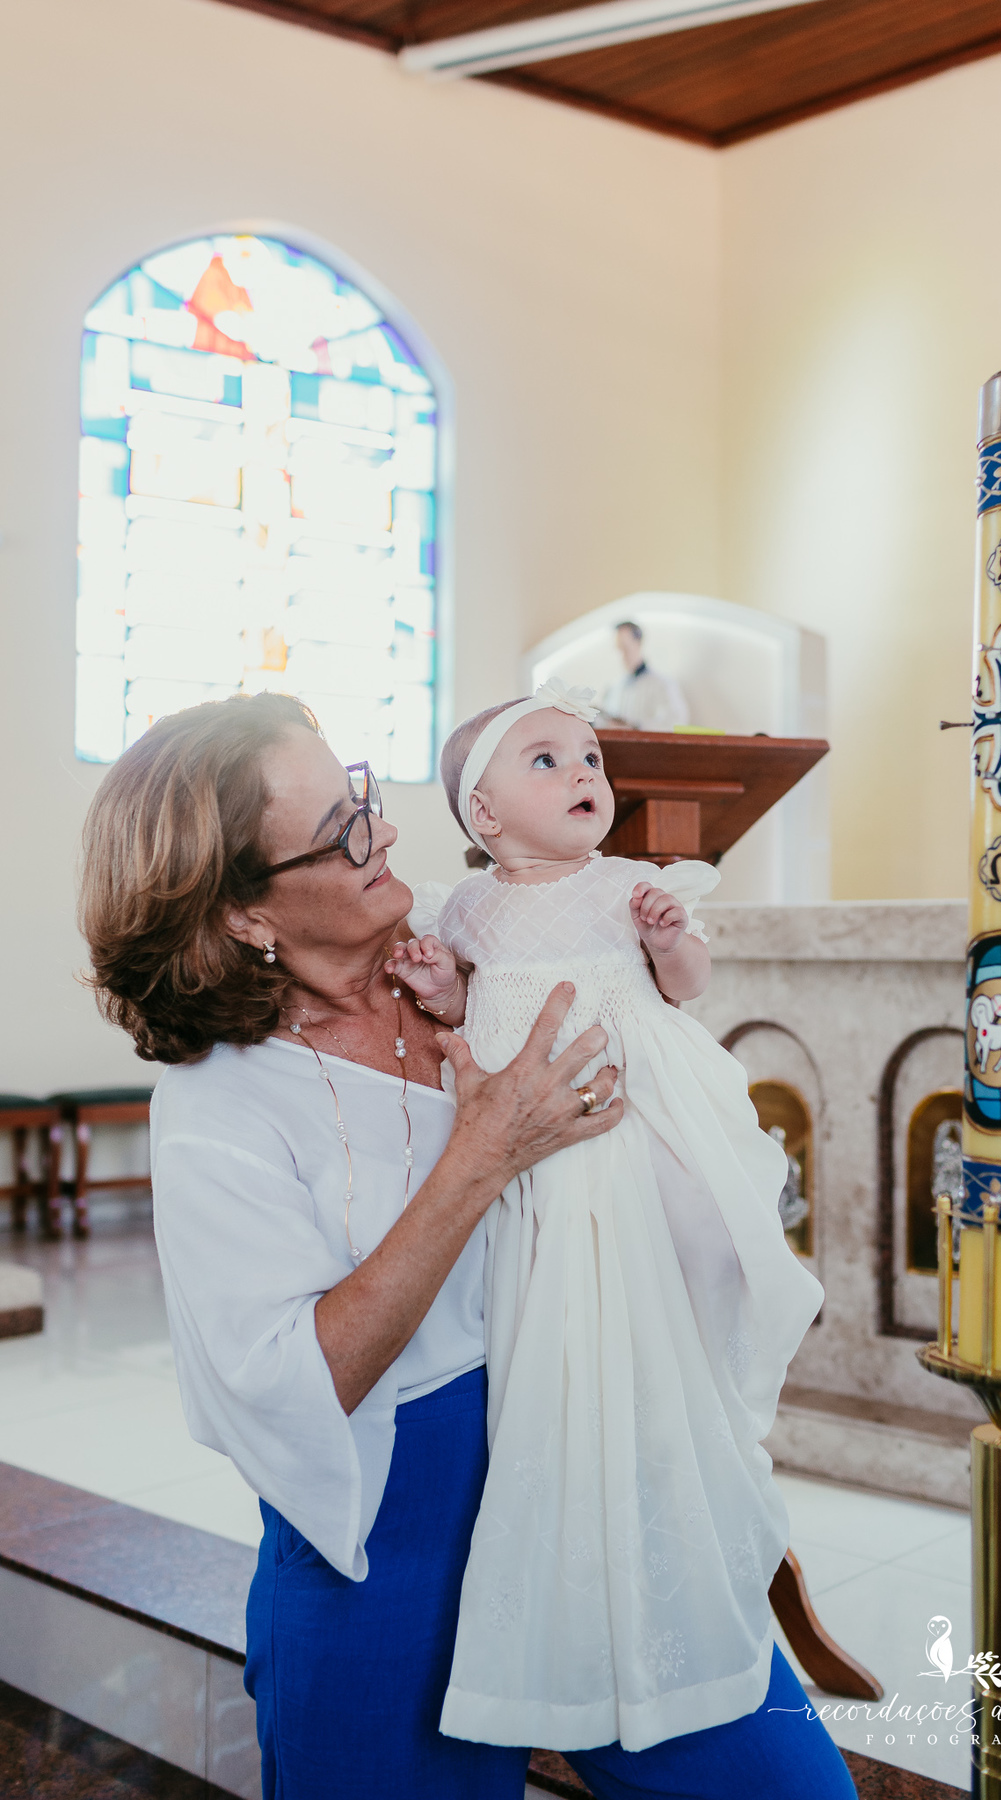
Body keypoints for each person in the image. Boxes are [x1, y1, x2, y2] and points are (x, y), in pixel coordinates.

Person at [76, 689, 855, 1800]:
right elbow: (299, 1379)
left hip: (597, 1479)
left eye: (362, 793)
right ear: (248, 914)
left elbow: (638, 1021)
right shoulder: (221, 1106)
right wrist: (482, 1152)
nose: (386, 827)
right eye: (345, 830)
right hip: (392, 1555)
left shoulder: (460, 935)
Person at [392, 678, 824, 1755]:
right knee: (570, 1296)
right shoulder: (466, 907)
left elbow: (686, 984)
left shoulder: (629, 879)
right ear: (483, 815)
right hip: (548, 1140)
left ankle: (710, 1376)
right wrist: (442, 986)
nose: (584, 775)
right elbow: (465, 1001)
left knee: (714, 1237)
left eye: (590, 758)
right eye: (547, 760)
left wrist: (672, 935)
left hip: (647, 1103)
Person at [601, 620, 689, 731]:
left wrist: (636, 726)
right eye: (619, 648)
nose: (622, 654)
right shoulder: (614, 687)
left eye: (625, 647)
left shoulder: (663, 683)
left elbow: (676, 721)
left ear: (638, 643)